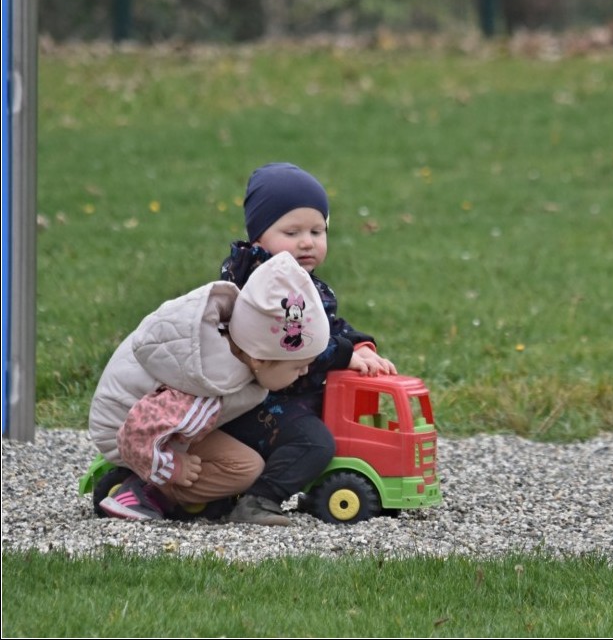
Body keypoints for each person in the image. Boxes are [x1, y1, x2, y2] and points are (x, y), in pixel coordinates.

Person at [89, 251, 329, 524]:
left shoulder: (235, 339)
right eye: (297, 367)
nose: (304, 372)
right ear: (260, 360)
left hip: (151, 416)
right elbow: (136, 434)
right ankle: (145, 492)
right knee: (244, 468)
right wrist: (172, 467)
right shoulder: (207, 385)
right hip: (127, 430)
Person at [218, 162, 397, 526]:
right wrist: (343, 355)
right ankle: (259, 500)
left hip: (291, 391)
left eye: (317, 231)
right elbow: (292, 342)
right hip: (259, 399)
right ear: (258, 238)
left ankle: (318, 489)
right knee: (315, 442)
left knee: (336, 425)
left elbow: (326, 326)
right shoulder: (264, 287)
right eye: (292, 231)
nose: (307, 242)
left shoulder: (300, 281)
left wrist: (358, 344)